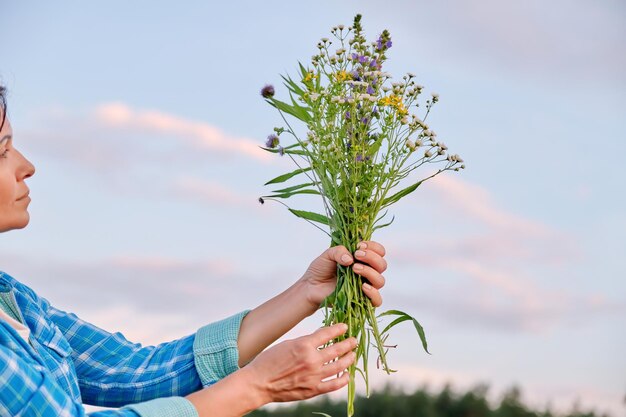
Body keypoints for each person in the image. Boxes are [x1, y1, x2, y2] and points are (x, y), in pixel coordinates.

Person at [0, 84, 388, 417]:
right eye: (4, 150)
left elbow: (140, 373)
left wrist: (306, 292)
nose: (27, 166)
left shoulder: (14, 299)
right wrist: (256, 386)